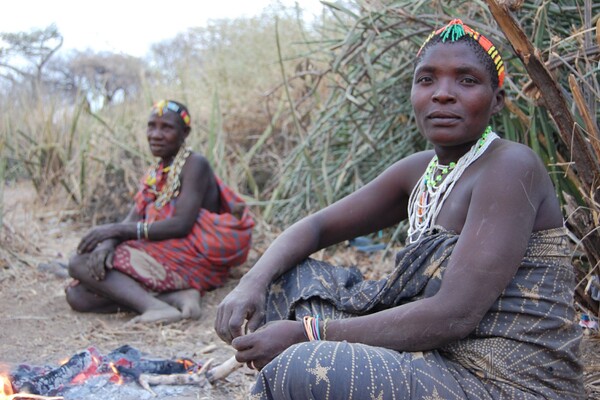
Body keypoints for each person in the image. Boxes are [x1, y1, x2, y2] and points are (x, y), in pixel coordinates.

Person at [215, 20, 584, 399]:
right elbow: (316, 228)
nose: (443, 94)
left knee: (303, 367)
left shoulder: (510, 166)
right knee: (287, 279)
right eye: (427, 80)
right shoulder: (420, 172)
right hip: (434, 361)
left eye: (466, 80)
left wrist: (308, 334)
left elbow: (453, 315)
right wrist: (250, 284)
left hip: (502, 383)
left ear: (497, 100)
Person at [66, 100, 255, 324]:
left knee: (79, 263)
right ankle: (175, 297)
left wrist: (111, 230)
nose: (156, 134)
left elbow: (181, 224)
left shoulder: (195, 164)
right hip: (163, 252)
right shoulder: (156, 172)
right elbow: (134, 217)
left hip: (191, 259)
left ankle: (154, 306)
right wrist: (108, 242)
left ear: (185, 133)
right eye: (151, 126)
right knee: (78, 296)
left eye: (166, 127)